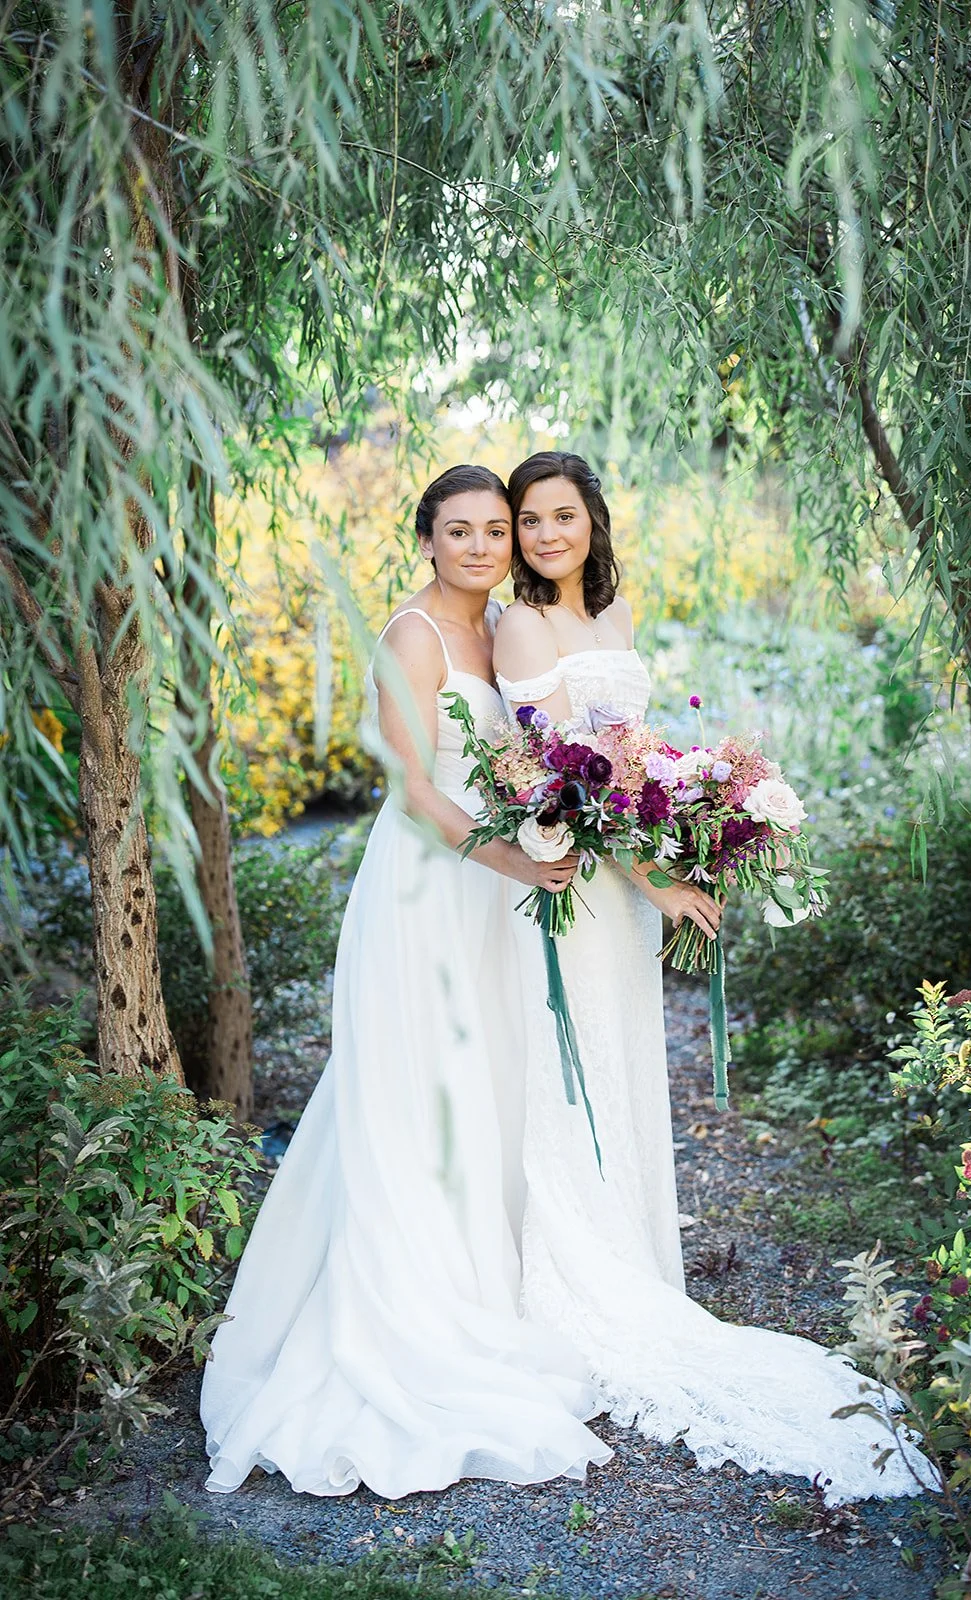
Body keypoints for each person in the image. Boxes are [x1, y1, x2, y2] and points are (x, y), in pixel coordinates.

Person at [492, 451, 939, 1505]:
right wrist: (658, 882)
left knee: (621, 1058)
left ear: (593, 521)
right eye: (528, 520)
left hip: (623, 884)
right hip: (578, 883)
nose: (545, 535)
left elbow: (631, 759)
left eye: (562, 515)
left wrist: (696, 820)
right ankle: (574, 1266)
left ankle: (631, 1250)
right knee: (571, 1067)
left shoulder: (614, 612)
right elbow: (567, 781)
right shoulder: (522, 627)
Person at [201, 464, 610, 1499]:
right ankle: (406, 1314)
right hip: (426, 891)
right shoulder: (412, 636)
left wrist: (556, 821)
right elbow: (415, 788)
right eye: (457, 530)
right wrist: (514, 858)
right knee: (412, 1093)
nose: (480, 546)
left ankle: (485, 1288)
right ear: (425, 539)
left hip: (491, 894)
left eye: (494, 530)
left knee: (483, 1090)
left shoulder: (504, 630)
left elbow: (529, 759)